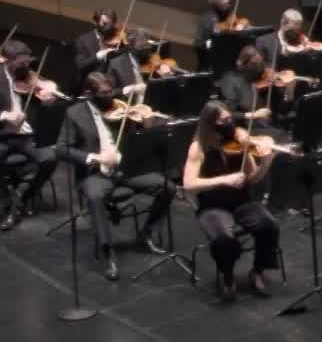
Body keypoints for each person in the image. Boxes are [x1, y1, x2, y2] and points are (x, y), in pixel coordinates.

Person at [56, 72, 178, 280]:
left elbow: (141, 137)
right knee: (95, 196)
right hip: (96, 173)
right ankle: (106, 250)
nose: (110, 97)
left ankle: (146, 233)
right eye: (104, 93)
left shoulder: (121, 110)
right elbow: (61, 148)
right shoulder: (74, 113)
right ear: (89, 94)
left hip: (126, 170)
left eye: (111, 91)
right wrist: (96, 157)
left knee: (168, 187)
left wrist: (148, 124)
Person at [181, 101, 280, 300]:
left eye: (229, 119)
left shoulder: (240, 141)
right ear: (210, 123)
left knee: (269, 225)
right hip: (213, 206)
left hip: (241, 201)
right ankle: (228, 276)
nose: (229, 123)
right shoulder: (198, 147)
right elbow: (188, 184)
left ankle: (257, 270)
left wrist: (266, 164)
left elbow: (251, 179)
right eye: (223, 120)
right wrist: (225, 179)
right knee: (224, 238)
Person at [2, 41, 61, 231]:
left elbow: (46, 87)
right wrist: (5, 115)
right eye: (22, 64)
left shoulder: (28, 76)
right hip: (2, 135)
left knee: (50, 158)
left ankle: (22, 199)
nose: (26, 68)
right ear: (8, 61)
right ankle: (10, 200)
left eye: (28, 63)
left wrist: (48, 95)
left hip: (26, 136)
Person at [214, 45, 289, 140]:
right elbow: (229, 113)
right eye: (255, 64)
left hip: (268, 124)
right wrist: (255, 114)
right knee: (282, 137)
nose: (261, 68)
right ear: (243, 64)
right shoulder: (231, 80)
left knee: (286, 135)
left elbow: (280, 107)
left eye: (261, 63)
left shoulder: (262, 78)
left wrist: (279, 88)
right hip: (247, 128)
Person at [74, 8, 122, 80]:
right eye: (105, 23)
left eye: (111, 24)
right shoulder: (83, 40)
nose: (109, 27)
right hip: (90, 84)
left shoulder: (117, 41)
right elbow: (80, 65)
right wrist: (97, 56)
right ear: (95, 22)